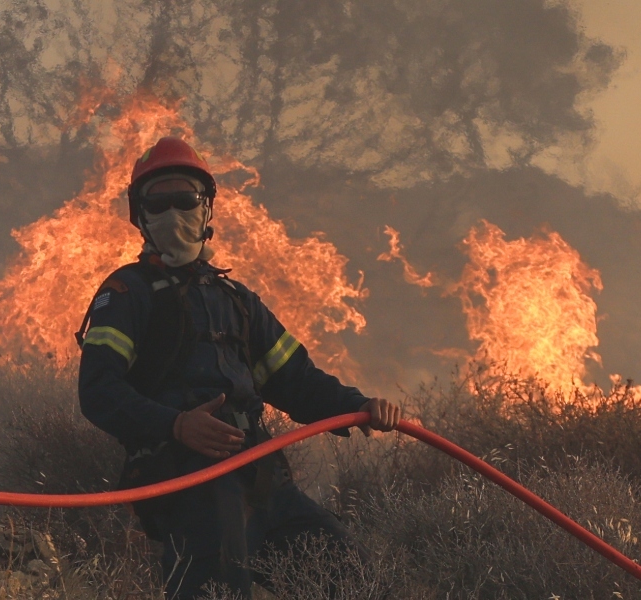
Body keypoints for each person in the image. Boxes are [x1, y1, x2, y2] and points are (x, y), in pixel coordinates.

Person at [77, 136, 402, 599]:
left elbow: (297, 381)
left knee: (352, 575)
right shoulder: (128, 295)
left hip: (264, 480)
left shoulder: (236, 300)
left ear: (206, 208)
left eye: (185, 198)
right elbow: (99, 391)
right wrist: (175, 426)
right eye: (159, 201)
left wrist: (360, 405)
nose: (173, 212)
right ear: (140, 215)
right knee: (221, 593)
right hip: (192, 487)